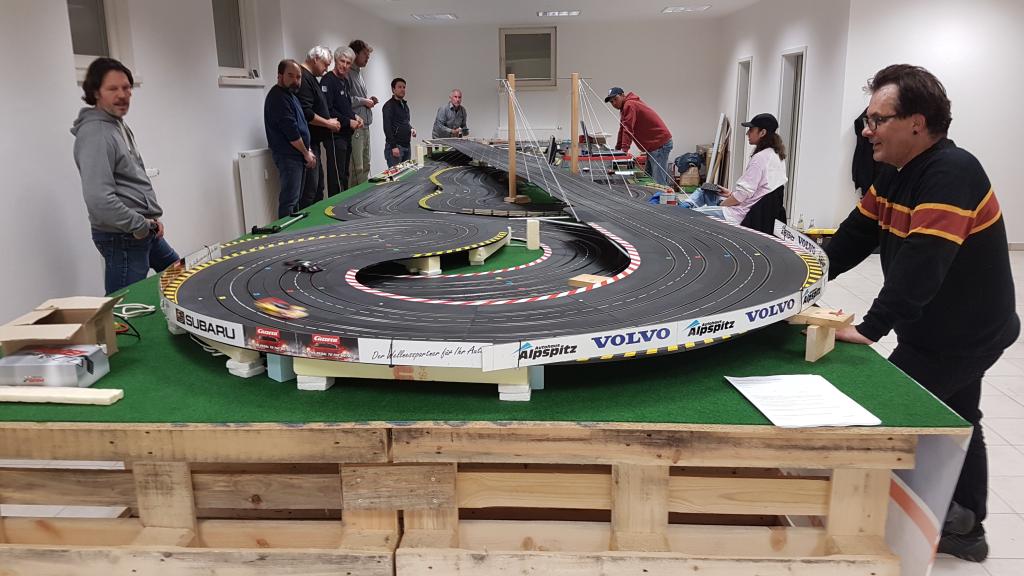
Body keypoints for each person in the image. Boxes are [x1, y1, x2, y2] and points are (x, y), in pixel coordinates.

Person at [825, 64, 1019, 562]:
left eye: (877, 120)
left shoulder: (951, 173)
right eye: (867, 120)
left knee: (882, 412)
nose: (866, 131)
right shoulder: (895, 172)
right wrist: (803, 275)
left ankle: (865, 524)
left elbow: (923, 262)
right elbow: (854, 235)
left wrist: (871, 327)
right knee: (961, 415)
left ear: (917, 122)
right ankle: (966, 525)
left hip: (965, 333)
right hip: (933, 328)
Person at [71, 57, 180, 295]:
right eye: (113, 89)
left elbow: (132, 179)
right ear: (96, 92)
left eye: (126, 87)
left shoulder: (116, 124)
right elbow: (100, 200)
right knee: (123, 308)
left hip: (142, 231)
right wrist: (141, 224)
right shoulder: (96, 134)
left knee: (179, 277)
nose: (122, 95)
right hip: (124, 238)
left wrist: (150, 221)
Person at [682, 113, 787, 227]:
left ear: (762, 132)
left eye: (751, 130)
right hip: (749, 208)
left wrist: (721, 204)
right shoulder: (777, 156)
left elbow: (743, 194)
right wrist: (731, 194)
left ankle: (679, 212)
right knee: (705, 191)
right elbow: (759, 192)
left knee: (689, 216)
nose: (747, 133)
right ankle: (682, 207)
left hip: (738, 215)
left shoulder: (760, 158)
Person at [264, 59, 316, 218]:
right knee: (289, 200)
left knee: (296, 199)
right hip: (288, 156)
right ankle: (286, 232)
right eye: (291, 75)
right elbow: (291, 131)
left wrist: (307, 149)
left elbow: (301, 126)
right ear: (280, 75)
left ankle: (295, 230)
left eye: (298, 77)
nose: (295, 80)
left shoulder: (291, 95)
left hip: (297, 155)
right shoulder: (278, 98)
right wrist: (306, 153)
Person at [297, 45, 341, 209]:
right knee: (310, 190)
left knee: (317, 188)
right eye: (325, 65)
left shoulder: (311, 78)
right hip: (308, 143)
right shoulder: (304, 78)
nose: (325, 70)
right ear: (315, 59)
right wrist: (328, 123)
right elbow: (306, 112)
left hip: (314, 142)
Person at [605, 87, 673, 187]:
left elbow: (628, 129)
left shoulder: (629, 105)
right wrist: (618, 151)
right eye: (611, 102)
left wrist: (623, 151)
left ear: (623, 95)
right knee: (649, 179)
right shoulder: (626, 107)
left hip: (659, 144)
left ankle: (663, 197)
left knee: (658, 183)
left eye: (615, 99)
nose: (614, 103)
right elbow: (622, 129)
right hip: (654, 145)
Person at [320, 46, 363, 196]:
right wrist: (348, 122)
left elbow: (346, 107)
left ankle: (344, 203)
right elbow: (328, 110)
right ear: (335, 60)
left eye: (348, 63)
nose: (344, 66)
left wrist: (355, 117)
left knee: (345, 174)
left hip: (346, 135)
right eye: (342, 61)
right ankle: (334, 206)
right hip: (335, 136)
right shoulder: (327, 81)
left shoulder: (345, 81)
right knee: (336, 177)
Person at [347, 39, 378, 187]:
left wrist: (369, 101)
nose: (368, 57)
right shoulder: (347, 73)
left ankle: (364, 195)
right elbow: (345, 100)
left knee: (366, 165)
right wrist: (364, 101)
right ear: (355, 54)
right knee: (357, 168)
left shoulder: (359, 73)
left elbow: (357, 99)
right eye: (365, 54)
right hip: (356, 128)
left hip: (365, 126)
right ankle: (356, 197)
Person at [382, 77, 415, 167]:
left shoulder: (404, 105)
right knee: (396, 175)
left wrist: (411, 129)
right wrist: (393, 147)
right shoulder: (388, 106)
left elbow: (405, 122)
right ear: (393, 89)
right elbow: (387, 128)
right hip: (396, 147)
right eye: (399, 87)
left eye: (404, 87)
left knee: (407, 173)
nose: (402, 89)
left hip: (406, 146)